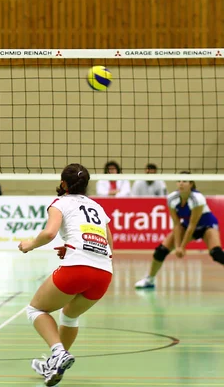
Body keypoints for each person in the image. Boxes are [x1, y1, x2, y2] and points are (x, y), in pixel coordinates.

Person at [17, 164, 113, 386]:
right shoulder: (98, 207)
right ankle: (55, 363)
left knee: (35, 309)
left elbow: (50, 232)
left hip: (77, 268)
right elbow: (108, 244)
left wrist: (29, 245)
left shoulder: (60, 203)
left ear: (63, 184)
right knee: (70, 315)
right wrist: (70, 248)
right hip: (104, 273)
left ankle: (58, 352)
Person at [135, 172, 223, 289]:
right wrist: (177, 247)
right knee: (161, 251)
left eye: (185, 181)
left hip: (207, 226)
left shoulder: (197, 198)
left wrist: (182, 247)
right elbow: (176, 224)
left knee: (216, 253)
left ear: (191, 184)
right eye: (179, 181)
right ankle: (149, 280)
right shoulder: (172, 198)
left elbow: (193, 224)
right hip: (186, 226)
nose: (181, 184)